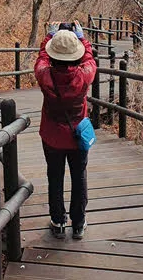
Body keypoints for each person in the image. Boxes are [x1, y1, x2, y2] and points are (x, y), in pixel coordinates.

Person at [34, 21, 97, 239]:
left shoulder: (44, 75)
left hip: (52, 136)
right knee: (79, 177)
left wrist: (50, 36)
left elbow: (41, 58)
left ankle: (58, 221)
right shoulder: (84, 75)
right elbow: (89, 59)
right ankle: (78, 223)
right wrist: (81, 38)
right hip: (77, 136)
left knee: (55, 176)